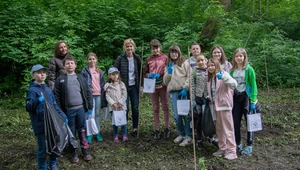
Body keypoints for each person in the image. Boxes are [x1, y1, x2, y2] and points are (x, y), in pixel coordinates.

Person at [25, 64, 68, 170]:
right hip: (41, 124)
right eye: (39, 73)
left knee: (56, 143)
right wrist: (37, 100)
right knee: (43, 148)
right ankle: (42, 167)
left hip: (53, 123)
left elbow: (54, 105)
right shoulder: (32, 91)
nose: (42, 74)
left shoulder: (48, 89)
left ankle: (52, 163)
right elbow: (28, 107)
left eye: (43, 72)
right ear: (33, 75)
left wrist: (63, 116)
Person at [54, 55, 93, 163]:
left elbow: (88, 92)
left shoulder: (81, 77)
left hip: (81, 109)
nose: (70, 65)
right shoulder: (60, 79)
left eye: (72, 63)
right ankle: (73, 151)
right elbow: (56, 96)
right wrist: (60, 111)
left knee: (82, 130)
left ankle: (85, 149)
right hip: (68, 111)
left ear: (75, 65)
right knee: (71, 131)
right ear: (64, 66)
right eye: (67, 63)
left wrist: (90, 106)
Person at [230, 48, 260, 155]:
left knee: (249, 121)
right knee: (235, 121)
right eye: (237, 56)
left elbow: (253, 85)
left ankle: (249, 145)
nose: (239, 58)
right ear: (234, 57)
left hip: (246, 97)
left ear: (244, 57)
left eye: (241, 56)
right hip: (236, 97)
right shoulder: (232, 71)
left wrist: (253, 100)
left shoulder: (249, 69)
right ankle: (238, 143)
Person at [207, 58, 238, 160]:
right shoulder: (210, 78)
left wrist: (224, 77)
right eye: (209, 66)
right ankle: (223, 148)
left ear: (217, 65)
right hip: (216, 107)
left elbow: (234, 84)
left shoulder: (224, 74)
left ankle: (232, 150)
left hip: (224, 106)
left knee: (228, 129)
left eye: (213, 65)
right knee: (219, 129)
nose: (211, 67)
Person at [163, 45, 192, 147]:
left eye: (175, 52)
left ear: (179, 53)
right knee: (177, 116)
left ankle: (188, 136)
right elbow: (165, 81)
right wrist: (169, 73)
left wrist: (185, 88)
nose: (174, 54)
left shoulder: (184, 63)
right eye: (172, 52)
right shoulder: (168, 65)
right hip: (174, 92)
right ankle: (182, 134)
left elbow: (190, 76)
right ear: (169, 54)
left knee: (185, 115)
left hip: (183, 92)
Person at [114, 38, 142, 137]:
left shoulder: (137, 58)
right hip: (123, 88)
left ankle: (135, 128)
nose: (129, 48)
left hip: (134, 87)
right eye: (127, 46)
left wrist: (141, 86)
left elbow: (141, 73)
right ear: (124, 47)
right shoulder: (120, 58)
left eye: (131, 46)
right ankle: (123, 128)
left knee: (135, 108)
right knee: (124, 108)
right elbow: (114, 71)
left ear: (133, 47)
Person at [144, 39, 170, 140]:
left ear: (160, 48)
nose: (155, 50)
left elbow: (168, 70)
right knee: (155, 108)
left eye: (157, 48)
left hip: (163, 85)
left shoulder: (165, 58)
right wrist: (149, 74)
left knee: (165, 106)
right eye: (153, 48)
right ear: (151, 49)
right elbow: (145, 71)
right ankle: (157, 129)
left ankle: (167, 128)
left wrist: (161, 74)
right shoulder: (148, 59)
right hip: (152, 86)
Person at [81, 52, 105, 143]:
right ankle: (89, 133)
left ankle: (97, 132)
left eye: (93, 59)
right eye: (90, 59)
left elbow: (102, 84)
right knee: (91, 115)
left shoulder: (99, 71)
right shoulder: (84, 71)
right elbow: (82, 83)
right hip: (89, 96)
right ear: (87, 60)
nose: (92, 60)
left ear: (96, 60)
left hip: (98, 95)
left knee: (98, 114)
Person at [105, 67, 128, 142]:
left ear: (118, 75)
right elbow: (107, 96)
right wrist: (113, 103)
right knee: (115, 122)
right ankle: (115, 135)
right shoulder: (108, 85)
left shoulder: (121, 84)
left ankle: (124, 134)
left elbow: (124, 94)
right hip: (113, 107)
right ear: (109, 76)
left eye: (116, 74)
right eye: (113, 74)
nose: (115, 76)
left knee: (123, 121)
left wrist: (120, 102)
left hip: (122, 106)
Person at [190, 54, 208, 150]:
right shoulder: (194, 72)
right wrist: (193, 100)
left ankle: (210, 136)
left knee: (209, 119)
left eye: (202, 60)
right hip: (198, 99)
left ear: (205, 60)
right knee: (199, 119)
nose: (201, 62)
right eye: (198, 61)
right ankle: (199, 138)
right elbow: (192, 87)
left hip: (208, 100)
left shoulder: (210, 70)